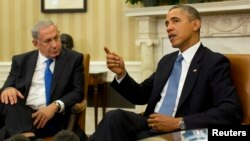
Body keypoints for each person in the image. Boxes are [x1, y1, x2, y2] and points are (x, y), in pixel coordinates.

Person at [88, 5, 243, 141]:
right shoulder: (167, 61)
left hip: (182, 131)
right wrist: (122, 74)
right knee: (114, 117)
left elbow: (230, 111)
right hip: (150, 122)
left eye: (175, 21)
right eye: (167, 23)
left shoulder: (213, 62)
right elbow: (141, 95)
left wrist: (179, 122)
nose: (168, 27)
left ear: (195, 24)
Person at [0, 19, 86, 141]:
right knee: (9, 99)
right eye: (48, 41)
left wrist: (55, 105)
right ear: (35, 43)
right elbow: (6, 87)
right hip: (23, 116)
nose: (55, 44)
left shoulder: (73, 59)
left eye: (56, 38)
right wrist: (8, 89)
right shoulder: (21, 61)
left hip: (53, 119)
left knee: (7, 133)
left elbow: (78, 92)